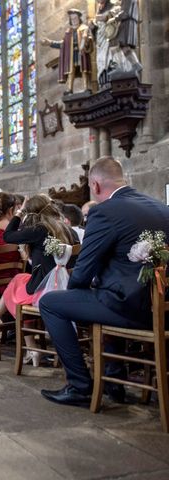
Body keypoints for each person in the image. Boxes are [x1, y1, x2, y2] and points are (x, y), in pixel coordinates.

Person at [39, 157, 169, 407]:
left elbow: (83, 271)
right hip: (160, 308)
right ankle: (113, 381)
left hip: (131, 308)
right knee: (106, 291)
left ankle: (79, 386)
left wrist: (77, 290)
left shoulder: (105, 211)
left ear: (95, 186)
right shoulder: (161, 208)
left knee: (51, 303)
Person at [0, 194, 77, 366]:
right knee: (19, 279)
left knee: (15, 289)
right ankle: (23, 343)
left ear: (31, 214)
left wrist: (19, 213)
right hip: (65, 287)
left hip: (45, 290)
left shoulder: (39, 230)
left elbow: (8, 236)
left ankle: (1, 327)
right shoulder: (67, 229)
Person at [41, 9, 93, 94]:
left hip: (82, 52)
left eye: (75, 18)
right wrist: (50, 43)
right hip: (72, 54)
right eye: (72, 19)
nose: (74, 21)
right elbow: (63, 44)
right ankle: (69, 89)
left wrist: (87, 40)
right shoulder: (68, 32)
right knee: (70, 71)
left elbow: (90, 38)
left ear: (79, 18)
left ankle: (86, 87)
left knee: (84, 69)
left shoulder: (84, 28)